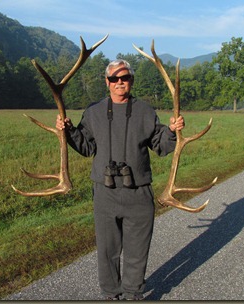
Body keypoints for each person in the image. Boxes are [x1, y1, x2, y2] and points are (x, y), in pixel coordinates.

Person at [56, 59, 185, 300]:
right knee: (107, 250)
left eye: (124, 78)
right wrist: (69, 131)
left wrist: (172, 131)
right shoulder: (93, 111)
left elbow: (161, 145)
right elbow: (85, 146)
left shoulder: (145, 111)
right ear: (107, 82)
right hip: (105, 193)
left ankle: (133, 294)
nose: (119, 82)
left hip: (139, 191)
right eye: (114, 78)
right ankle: (110, 294)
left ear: (131, 81)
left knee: (137, 249)